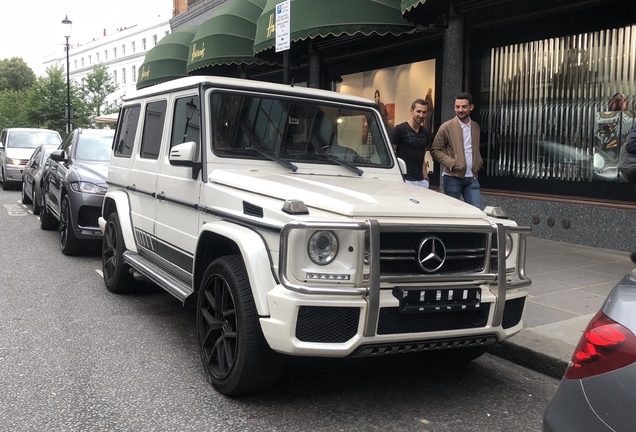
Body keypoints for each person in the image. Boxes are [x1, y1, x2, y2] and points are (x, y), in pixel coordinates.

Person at [430, 92, 483, 208]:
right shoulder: (446, 127)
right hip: (452, 178)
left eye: (464, 107)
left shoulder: (475, 127)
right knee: (452, 212)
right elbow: (435, 150)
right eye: (457, 107)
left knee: (477, 212)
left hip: (472, 178)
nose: (460, 110)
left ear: (471, 107)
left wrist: (478, 163)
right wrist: (452, 163)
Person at [389, 99, 432, 188]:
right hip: (404, 179)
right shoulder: (400, 129)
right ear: (411, 111)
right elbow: (391, 154)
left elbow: (422, 157)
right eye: (418, 111)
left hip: (420, 180)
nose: (421, 115)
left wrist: (426, 178)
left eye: (424, 112)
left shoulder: (426, 132)